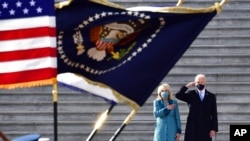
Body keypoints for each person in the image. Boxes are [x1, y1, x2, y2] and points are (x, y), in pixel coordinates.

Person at [175, 74, 218, 141]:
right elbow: (178, 95)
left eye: (202, 82)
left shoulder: (211, 96)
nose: (200, 84)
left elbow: (214, 113)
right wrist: (187, 86)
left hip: (205, 127)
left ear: (205, 83)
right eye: (198, 82)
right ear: (195, 83)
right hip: (192, 127)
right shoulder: (191, 94)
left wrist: (213, 128)